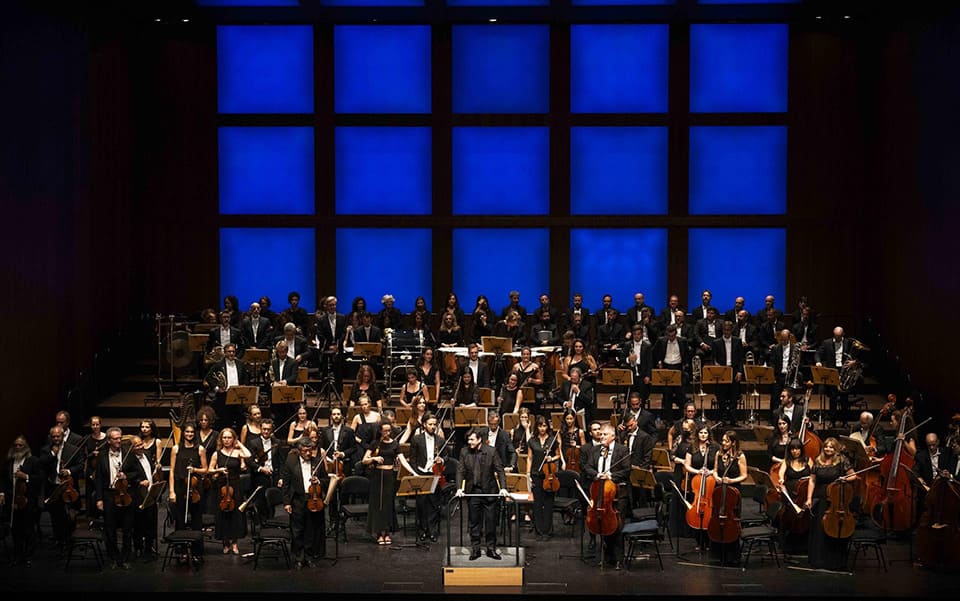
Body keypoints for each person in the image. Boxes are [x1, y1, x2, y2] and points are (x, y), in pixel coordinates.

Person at [583, 424, 631, 570]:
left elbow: (626, 470)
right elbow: (588, 467)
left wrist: (610, 475)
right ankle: (607, 556)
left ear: (612, 436)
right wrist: (597, 475)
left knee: (617, 526)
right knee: (602, 524)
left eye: (604, 434)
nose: (601, 436)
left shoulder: (622, 450)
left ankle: (618, 559)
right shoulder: (595, 450)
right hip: (600, 493)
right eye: (600, 434)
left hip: (617, 493)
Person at [805, 437, 857, 570]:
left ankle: (834, 561)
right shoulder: (818, 460)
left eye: (831, 447)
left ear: (836, 449)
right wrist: (809, 498)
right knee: (819, 529)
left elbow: (853, 476)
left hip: (835, 499)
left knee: (833, 529)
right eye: (826, 447)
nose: (828, 449)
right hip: (820, 497)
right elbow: (812, 480)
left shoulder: (841, 461)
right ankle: (818, 560)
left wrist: (844, 478)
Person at [456, 429, 509, 560]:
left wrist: (503, 488)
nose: (469, 442)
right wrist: (459, 488)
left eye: (472, 439)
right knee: (474, 522)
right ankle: (476, 549)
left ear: (479, 439)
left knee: (490, 522)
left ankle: (491, 549)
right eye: (468, 440)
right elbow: (460, 471)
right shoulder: (464, 452)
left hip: (489, 492)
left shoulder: (491, 451)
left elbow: (500, 470)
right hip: (473, 492)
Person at [94, 427, 136, 569]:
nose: (119, 441)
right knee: (110, 528)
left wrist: (126, 476)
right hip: (109, 495)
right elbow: (98, 479)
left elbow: (137, 473)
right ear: (109, 440)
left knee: (127, 528)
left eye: (120, 438)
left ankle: (125, 558)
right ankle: (113, 557)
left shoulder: (128, 454)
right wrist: (99, 499)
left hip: (126, 494)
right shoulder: (102, 456)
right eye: (116, 439)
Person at [282, 439, 327, 568]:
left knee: (310, 529)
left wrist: (319, 481)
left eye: (310, 450)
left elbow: (326, 480)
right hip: (297, 499)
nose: (308, 453)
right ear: (299, 451)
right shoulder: (291, 462)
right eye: (305, 451)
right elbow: (286, 483)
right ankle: (298, 558)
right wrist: (286, 503)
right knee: (297, 530)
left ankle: (309, 556)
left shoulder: (317, 461)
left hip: (313, 499)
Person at [206, 427, 251, 555]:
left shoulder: (237, 452)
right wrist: (219, 470)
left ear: (233, 439)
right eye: (224, 438)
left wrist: (239, 444)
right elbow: (210, 470)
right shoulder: (217, 454)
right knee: (223, 514)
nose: (226, 440)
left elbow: (248, 454)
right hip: (222, 487)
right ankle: (225, 542)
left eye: (229, 437)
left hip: (235, 486)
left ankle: (235, 543)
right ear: (221, 439)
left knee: (236, 514)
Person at [1, 436, 44, 566]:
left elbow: (40, 478)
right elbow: (3, 479)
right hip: (13, 501)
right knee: (15, 530)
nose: (18, 447)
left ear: (25, 447)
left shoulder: (34, 461)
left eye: (20, 445)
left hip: (28, 500)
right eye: (16, 445)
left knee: (28, 529)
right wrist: (2, 493)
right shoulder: (9, 461)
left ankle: (28, 556)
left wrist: (26, 476)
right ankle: (18, 554)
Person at [167, 422, 207, 558]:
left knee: (196, 520)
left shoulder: (200, 449)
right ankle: (181, 550)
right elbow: (172, 471)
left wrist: (195, 470)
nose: (189, 434)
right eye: (187, 432)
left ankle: (197, 551)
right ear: (183, 433)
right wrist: (171, 491)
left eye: (191, 432)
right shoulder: (176, 449)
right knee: (180, 520)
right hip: (179, 486)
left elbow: (205, 470)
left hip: (195, 487)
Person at [40, 425, 83, 551]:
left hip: (68, 487)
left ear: (63, 436)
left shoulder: (73, 449)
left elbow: (80, 465)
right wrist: (53, 453)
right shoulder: (45, 450)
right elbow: (42, 463)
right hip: (53, 487)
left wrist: (69, 471)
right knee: (55, 516)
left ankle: (70, 538)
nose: (56, 438)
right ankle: (59, 540)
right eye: (53, 436)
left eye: (58, 436)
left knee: (70, 515)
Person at [408, 412, 447, 542]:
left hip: (435, 474)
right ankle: (423, 530)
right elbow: (412, 459)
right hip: (421, 473)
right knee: (421, 504)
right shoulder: (416, 439)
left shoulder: (440, 440)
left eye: (434, 424)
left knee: (434, 504)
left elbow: (446, 456)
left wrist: (441, 459)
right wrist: (415, 474)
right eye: (430, 424)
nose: (432, 427)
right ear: (424, 424)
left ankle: (432, 531)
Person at [362, 422, 400, 545]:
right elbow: (364, 460)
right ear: (380, 431)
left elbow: (401, 459)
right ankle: (379, 533)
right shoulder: (375, 444)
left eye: (389, 431)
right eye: (385, 431)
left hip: (390, 477)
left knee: (388, 504)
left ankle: (387, 532)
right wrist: (374, 458)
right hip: (378, 476)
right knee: (378, 505)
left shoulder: (395, 443)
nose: (387, 433)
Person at [527, 415, 561, 541]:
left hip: (549, 475)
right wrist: (528, 474)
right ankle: (539, 530)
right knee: (537, 504)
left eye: (545, 426)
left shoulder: (552, 440)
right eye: (540, 426)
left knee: (548, 503)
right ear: (537, 427)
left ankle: (547, 531)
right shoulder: (532, 441)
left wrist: (551, 458)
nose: (542, 428)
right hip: (536, 474)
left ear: (548, 427)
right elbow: (530, 458)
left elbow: (558, 455)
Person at [128, 435, 160, 560]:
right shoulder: (129, 459)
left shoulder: (146, 453)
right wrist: (139, 482)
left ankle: (149, 548)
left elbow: (150, 471)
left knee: (151, 523)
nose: (140, 447)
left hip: (150, 494)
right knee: (139, 524)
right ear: (131, 448)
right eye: (137, 446)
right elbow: (127, 475)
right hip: (138, 496)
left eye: (141, 444)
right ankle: (138, 549)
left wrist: (156, 470)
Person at [246, 419, 284, 526]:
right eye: (264, 429)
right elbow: (249, 461)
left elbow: (281, 462)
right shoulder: (253, 442)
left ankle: (271, 522)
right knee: (261, 500)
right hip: (260, 476)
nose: (266, 432)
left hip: (274, 475)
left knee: (271, 501)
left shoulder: (277, 442)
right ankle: (262, 523)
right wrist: (261, 468)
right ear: (261, 429)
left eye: (268, 429)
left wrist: (281, 477)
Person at [778, 438, 812, 555]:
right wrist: (781, 479)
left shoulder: (808, 460)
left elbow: (813, 475)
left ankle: (804, 544)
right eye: (792, 449)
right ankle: (789, 544)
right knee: (790, 517)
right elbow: (781, 474)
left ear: (801, 450)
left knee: (805, 517)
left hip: (804, 494)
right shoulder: (786, 461)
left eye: (797, 449)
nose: (795, 451)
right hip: (791, 495)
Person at [320, 406, 357, 478]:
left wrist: (342, 454)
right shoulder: (324, 430)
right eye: (334, 414)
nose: (336, 416)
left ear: (342, 416)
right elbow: (321, 447)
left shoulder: (349, 431)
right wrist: (327, 458)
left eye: (338, 414)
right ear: (331, 416)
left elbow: (354, 448)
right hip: (328, 463)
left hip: (344, 464)